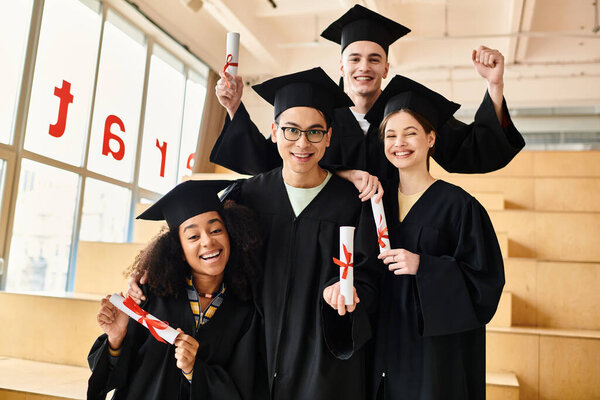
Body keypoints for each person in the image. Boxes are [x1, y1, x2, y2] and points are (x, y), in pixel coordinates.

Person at [132, 67, 381, 400]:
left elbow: (369, 277)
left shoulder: (351, 202)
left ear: (329, 137)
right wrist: (147, 272)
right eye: (291, 130)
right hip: (251, 352)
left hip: (322, 360)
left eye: (315, 132)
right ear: (275, 131)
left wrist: (347, 292)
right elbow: (202, 242)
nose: (302, 143)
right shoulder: (247, 196)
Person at [210, 4, 524, 196]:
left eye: (375, 59)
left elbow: (469, 152)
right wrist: (234, 107)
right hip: (328, 234)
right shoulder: (318, 113)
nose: (364, 67)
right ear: (341, 66)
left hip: (395, 234)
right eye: (355, 58)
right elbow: (268, 161)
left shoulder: (407, 111)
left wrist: (494, 86)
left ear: (386, 67)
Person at [365, 75, 505, 400]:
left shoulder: (460, 206)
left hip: (434, 355)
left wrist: (424, 266)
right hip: (383, 344)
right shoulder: (376, 203)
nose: (399, 143)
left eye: (410, 133)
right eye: (391, 135)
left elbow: (485, 282)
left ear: (430, 138)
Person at [87, 180, 264, 400]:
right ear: (179, 250)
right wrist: (116, 338)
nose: (208, 241)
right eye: (193, 236)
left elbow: (242, 387)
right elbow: (113, 378)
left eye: (216, 229)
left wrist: (194, 371)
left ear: (231, 234)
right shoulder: (150, 295)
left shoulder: (245, 311)